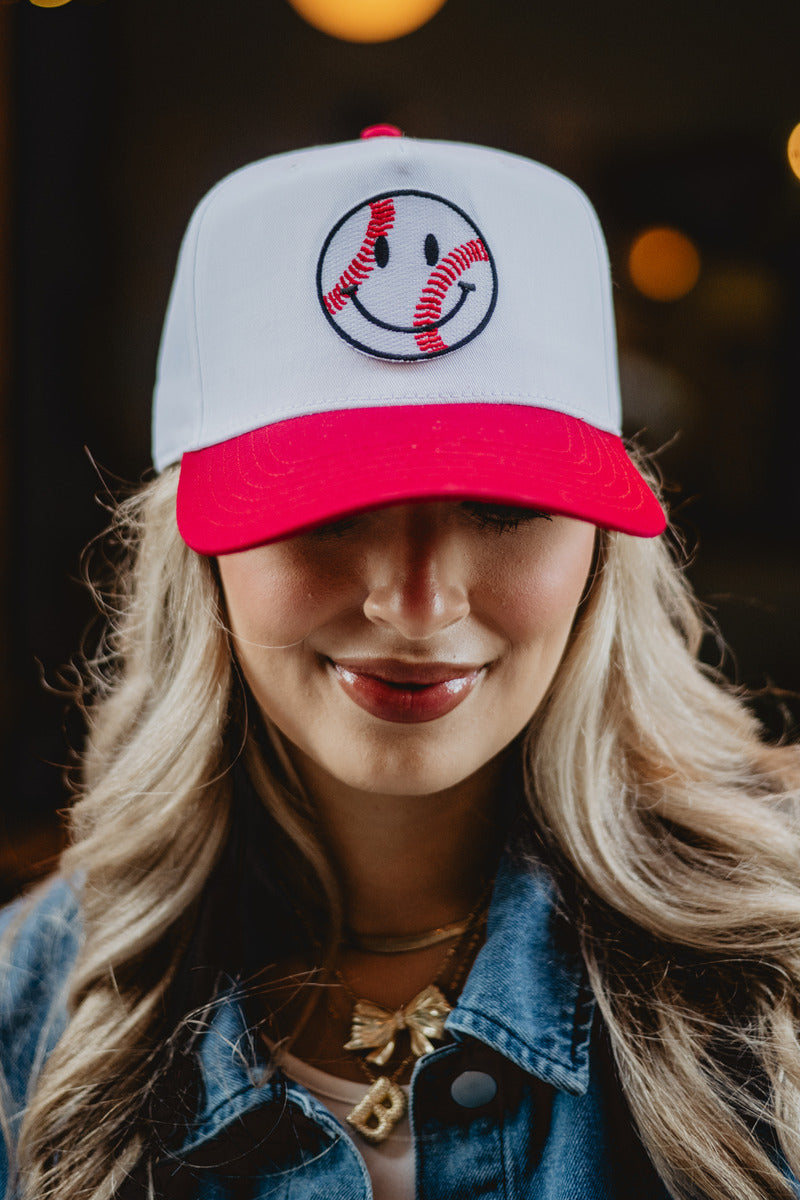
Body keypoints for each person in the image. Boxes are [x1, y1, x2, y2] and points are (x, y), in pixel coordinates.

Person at [1, 127, 799, 1200]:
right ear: (196, 552)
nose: (416, 604)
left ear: (603, 552)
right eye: (328, 511)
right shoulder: (25, 1001)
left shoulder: (775, 970)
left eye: (504, 507)